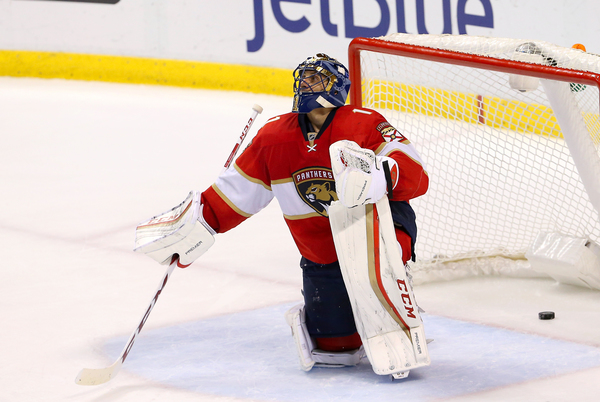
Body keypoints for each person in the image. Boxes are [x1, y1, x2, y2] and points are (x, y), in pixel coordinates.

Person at [135, 53, 429, 375]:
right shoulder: (274, 136)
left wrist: (379, 177)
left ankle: (395, 287)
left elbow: (416, 173)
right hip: (321, 251)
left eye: (316, 79)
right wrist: (200, 223)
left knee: (380, 267)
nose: (307, 84)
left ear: (337, 87)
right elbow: (237, 193)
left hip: (374, 230)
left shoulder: (364, 122)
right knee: (337, 351)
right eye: (304, 79)